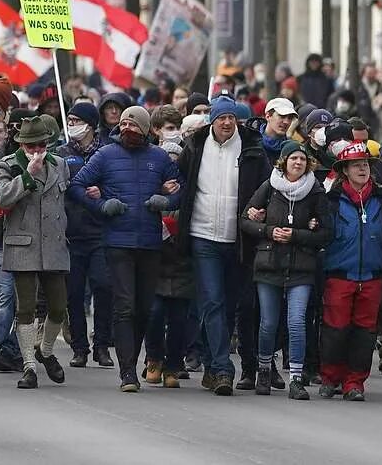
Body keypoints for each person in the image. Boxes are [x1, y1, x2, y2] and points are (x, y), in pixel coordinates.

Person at [73, 104, 181, 393]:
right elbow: (77, 185)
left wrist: (168, 202)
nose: (126, 129)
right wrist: (100, 206)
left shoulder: (158, 157)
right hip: (117, 242)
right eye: (123, 124)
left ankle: (134, 360)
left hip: (150, 243)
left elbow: (181, 188)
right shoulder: (106, 155)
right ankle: (127, 372)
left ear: (145, 129)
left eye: (133, 125)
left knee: (144, 308)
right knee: (125, 306)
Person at [177, 95, 266, 395]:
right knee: (212, 301)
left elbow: (266, 188)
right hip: (203, 235)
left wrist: (261, 210)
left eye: (231, 118)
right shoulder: (195, 146)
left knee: (228, 305)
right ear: (212, 120)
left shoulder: (253, 149)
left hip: (239, 238)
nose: (227, 123)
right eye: (221, 118)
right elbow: (180, 181)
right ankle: (223, 368)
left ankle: (211, 364)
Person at [0, 113, 70, 390]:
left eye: (41, 146)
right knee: (25, 308)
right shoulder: (6, 165)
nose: (36, 151)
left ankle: (45, 351)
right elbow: (0, 198)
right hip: (23, 243)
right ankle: (29, 366)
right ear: (21, 145)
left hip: (53, 244)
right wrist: (27, 177)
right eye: (31, 147)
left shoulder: (59, 164)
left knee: (59, 306)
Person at [241, 145, 329, 399]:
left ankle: (296, 379)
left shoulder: (315, 191)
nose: (298, 163)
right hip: (269, 263)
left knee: (297, 321)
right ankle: (264, 370)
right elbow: (245, 220)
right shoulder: (270, 186)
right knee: (268, 323)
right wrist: (268, 230)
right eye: (294, 158)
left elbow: (326, 233)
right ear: (284, 162)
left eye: (303, 159)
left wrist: (298, 234)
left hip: (301, 266)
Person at [316, 140, 382, 401]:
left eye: (365, 164)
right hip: (339, 275)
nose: (362, 169)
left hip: (372, 276)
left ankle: (354, 382)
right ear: (344, 169)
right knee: (335, 330)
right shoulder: (331, 201)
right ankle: (330, 378)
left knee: (364, 333)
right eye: (356, 164)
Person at [57, 101, 112, 369]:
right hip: (71, 235)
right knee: (74, 294)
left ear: (91, 125)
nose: (72, 126)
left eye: (77, 121)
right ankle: (80, 347)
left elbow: (117, 185)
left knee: (103, 287)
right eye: (69, 121)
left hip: (101, 232)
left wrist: (104, 194)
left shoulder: (107, 152)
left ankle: (102, 344)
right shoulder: (61, 154)